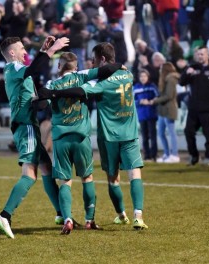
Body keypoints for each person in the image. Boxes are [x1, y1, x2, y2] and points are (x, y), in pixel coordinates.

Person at [38, 42, 148, 230]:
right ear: (76, 66)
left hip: (95, 137)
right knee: (127, 174)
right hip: (120, 133)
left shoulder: (94, 83)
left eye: (94, 59)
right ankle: (128, 216)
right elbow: (90, 81)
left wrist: (51, 94)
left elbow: (44, 104)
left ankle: (71, 219)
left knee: (91, 180)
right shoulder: (127, 75)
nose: (92, 62)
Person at [0, 35, 70, 239]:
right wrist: (52, 49)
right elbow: (34, 69)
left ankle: (61, 214)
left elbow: (33, 68)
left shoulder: (17, 70)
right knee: (30, 174)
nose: (25, 52)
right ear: (12, 53)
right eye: (21, 49)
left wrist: (43, 51)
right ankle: (5, 215)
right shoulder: (13, 68)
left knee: (47, 168)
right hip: (25, 125)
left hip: (30, 125)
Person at [41, 51, 124, 234]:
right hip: (81, 137)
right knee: (87, 178)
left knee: (65, 182)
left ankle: (68, 218)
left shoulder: (51, 84)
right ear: (76, 67)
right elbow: (106, 69)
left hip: (60, 139)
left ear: (59, 67)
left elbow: (39, 105)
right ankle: (89, 220)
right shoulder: (83, 75)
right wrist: (120, 65)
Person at [179, 46, 209, 166]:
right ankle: (194, 155)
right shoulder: (192, 68)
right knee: (188, 131)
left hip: (208, 108)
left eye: (202, 54)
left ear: (207, 54)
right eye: (198, 54)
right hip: (193, 108)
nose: (200, 56)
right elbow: (181, 82)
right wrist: (186, 73)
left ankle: (208, 157)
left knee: (208, 134)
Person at [150, 62, 180, 163]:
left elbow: (169, 96)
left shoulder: (171, 79)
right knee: (161, 133)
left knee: (171, 133)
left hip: (169, 109)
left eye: (161, 68)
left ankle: (175, 155)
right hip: (163, 110)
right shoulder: (166, 79)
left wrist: (155, 100)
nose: (159, 70)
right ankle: (167, 154)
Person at [133, 69, 159, 162]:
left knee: (153, 136)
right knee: (144, 136)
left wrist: (152, 101)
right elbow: (132, 101)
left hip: (151, 114)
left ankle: (154, 155)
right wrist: (140, 101)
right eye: (141, 76)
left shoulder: (152, 86)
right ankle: (147, 155)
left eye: (144, 76)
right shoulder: (135, 87)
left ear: (148, 77)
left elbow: (157, 97)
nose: (143, 78)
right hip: (142, 115)